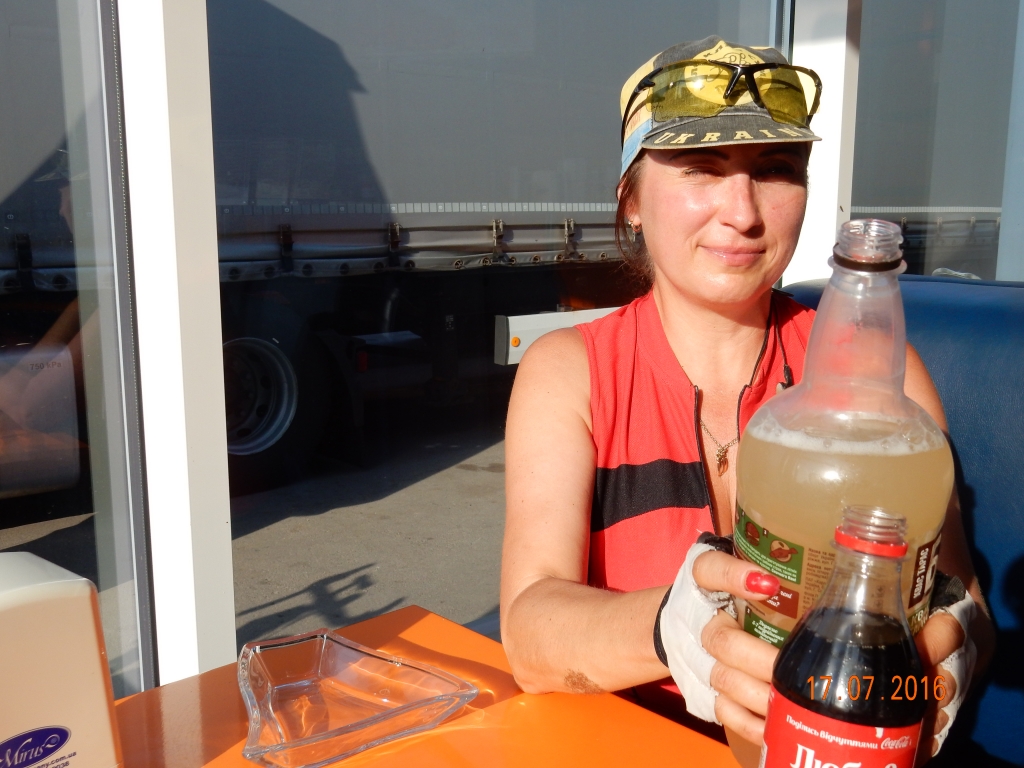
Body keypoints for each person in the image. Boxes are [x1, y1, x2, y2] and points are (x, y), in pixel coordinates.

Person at [500, 36, 995, 761]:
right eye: (701, 169)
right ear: (631, 200)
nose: (743, 212)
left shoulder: (882, 387)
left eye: (774, 169)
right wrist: (672, 627)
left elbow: (961, 596)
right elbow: (529, 628)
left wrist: (953, 652)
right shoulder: (572, 373)